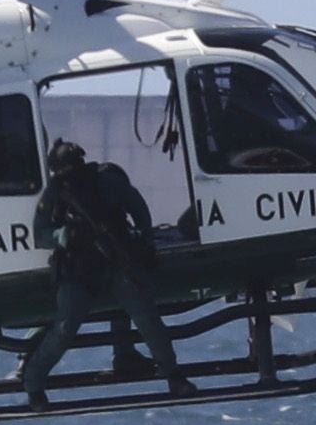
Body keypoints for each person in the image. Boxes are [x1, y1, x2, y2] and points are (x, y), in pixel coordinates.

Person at [18, 137, 190, 406]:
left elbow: (138, 208)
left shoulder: (107, 181)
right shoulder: (55, 193)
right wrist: (64, 235)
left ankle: (173, 375)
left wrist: (143, 240)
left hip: (117, 262)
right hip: (79, 269)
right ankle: (34, 383)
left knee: (147, 318)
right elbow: (40, 234)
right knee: (65, 329)